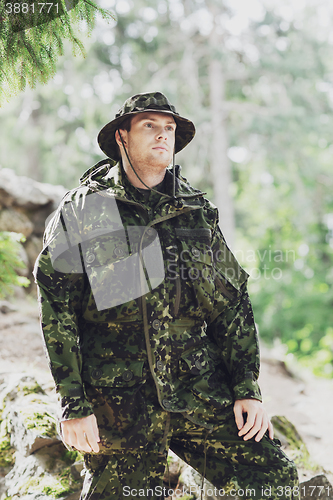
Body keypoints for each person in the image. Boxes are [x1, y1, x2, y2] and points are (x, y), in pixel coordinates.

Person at [34, 91, 299, 500]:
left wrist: (246, 387)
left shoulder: (196, 212)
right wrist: (74, 404)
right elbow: (57, 307)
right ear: (122, 136)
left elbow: (231, 303)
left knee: (273, 481)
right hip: (119, 402)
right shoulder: (87, 209)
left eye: (170, 128)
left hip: (197, 389)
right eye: (150, 126)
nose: (163, 136)